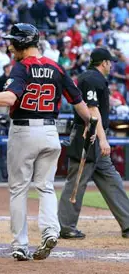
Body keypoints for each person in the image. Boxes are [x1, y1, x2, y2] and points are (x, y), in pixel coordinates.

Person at [0, 23, 92, 261]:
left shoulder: (21, 68)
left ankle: (20, 245)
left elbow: (10, 97)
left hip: (24, 131)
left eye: (13, 41)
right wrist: (90, 123)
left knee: (18, 189)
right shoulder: (57, 68)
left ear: (24, 43)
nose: (10, 45)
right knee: (45, 186)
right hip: (49, 132)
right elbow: (78, 101)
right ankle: (50, 231)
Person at [58, 48, 129, 239]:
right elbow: (91, 110)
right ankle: (65, 226)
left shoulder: (92, 78)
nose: (111, 65)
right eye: (110, 62)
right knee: (77, 181)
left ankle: (128, 223)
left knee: (112, 180)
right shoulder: (91, 78)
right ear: (104, 62)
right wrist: (103, 139)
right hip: (87, 134)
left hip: (94, 134)